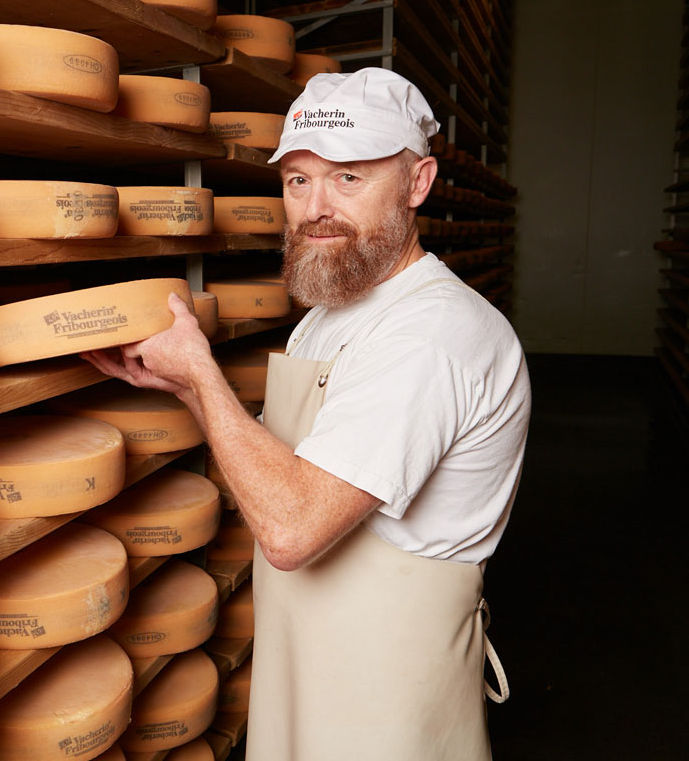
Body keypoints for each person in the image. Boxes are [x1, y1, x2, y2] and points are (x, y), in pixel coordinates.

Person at [83, 67, 531, 760]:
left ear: (418, 183)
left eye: (349, 178)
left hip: (388, 698)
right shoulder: (331, 315)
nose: (316, 207)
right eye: (298, 180)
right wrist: (186, 388)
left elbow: (292, 528)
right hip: (306, 672)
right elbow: (290, 474)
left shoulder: (432, 335)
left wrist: (202, 371)